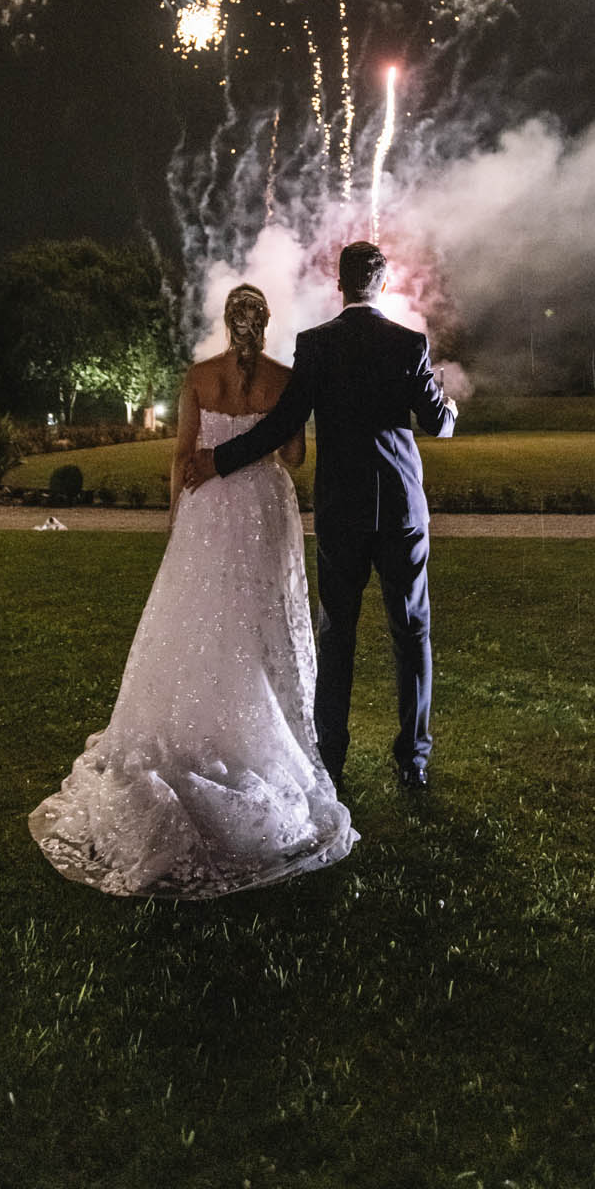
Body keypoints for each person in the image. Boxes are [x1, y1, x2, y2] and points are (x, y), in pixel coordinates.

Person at [28, 283, 355, 898]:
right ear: (265, 323)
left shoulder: (199, 377)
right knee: (262, 619)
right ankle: (269, 725)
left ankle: (194, 727)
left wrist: (177, 519)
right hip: (263, 507)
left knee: (200, 615)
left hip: (209, 510)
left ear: (226, 323)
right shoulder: (284, 379)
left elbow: (183, 456)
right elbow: (295, 454)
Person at [184, 241, 456, 792]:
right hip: (400, 509)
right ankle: (414, 761)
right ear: (381, 284)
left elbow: (281, 423)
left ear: (340, 284)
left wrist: (221, 459)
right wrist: (448, 407)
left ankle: (331, 759)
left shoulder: (316, 346)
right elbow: (438, 424)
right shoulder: (408, 344)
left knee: (338, 636)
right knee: (412, 633)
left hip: (342, 510)